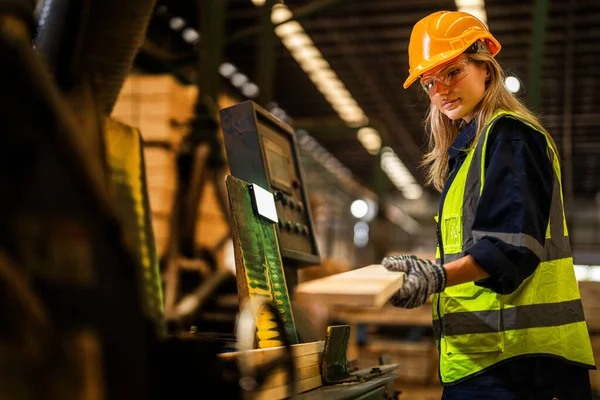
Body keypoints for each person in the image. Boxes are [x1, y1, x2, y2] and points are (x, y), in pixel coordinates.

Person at [380, 10, 595, 399]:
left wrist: (435, 276)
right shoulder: (473, 151)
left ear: (487, 69)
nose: (441, 90)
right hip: (486, 361)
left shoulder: (510, 136)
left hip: (520, 368)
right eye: (429, 82)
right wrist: (429, 273)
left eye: (452, 72)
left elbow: (511, 249)